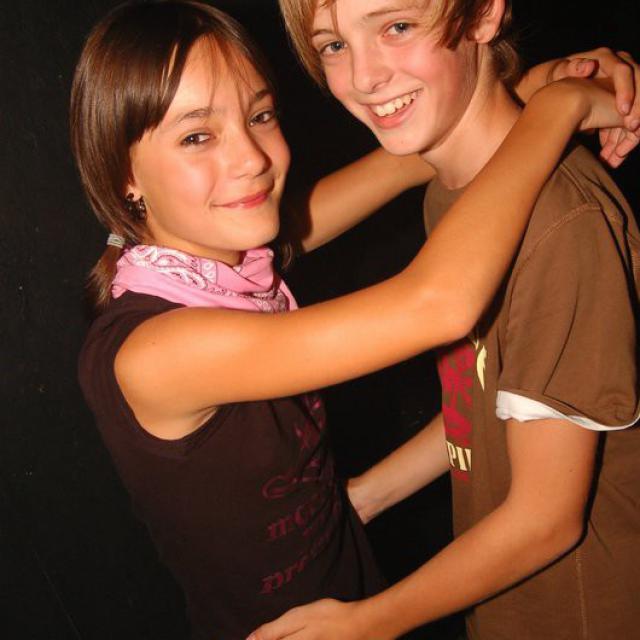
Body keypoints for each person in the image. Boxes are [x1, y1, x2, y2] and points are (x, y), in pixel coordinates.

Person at [72, 2, 634, 639]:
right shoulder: (160, 349)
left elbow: (413, 153)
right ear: (125, 174)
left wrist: (532, 83)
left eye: (259, 116)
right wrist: (561, 107)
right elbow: (439, 303)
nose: (252, 159)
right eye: (197, 136)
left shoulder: (222, 261)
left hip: (347, 591)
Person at [248, 1, 640, 639]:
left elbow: (547, 518)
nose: (364, 77)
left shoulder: (561, 221)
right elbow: (487, 400)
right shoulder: (456, 194)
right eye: (334, 46)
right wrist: (367, 495)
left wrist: (369, 623)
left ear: (484, 15)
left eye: (397, 27)